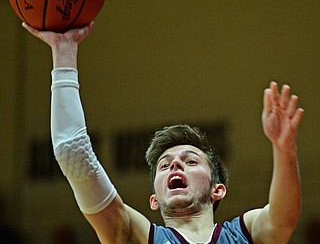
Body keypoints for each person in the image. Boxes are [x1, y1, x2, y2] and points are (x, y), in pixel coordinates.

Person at [22, 22, 304, 244]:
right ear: (153, 199)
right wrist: (64, 53)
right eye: (164, 165)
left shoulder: (245, 234)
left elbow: (284, 218)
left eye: (191, 161)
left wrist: (284, 148)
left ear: (218, 190)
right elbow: (73, 154)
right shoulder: (139, 236)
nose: (176, 165)